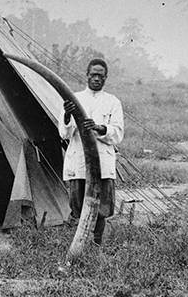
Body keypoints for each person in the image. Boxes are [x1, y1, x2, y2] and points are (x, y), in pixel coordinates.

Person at [58, 58, 124, 245]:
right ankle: (78, 245)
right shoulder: (73, 99)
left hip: (102, 163)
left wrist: (99, 128)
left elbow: (117, 133)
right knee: (78, 207)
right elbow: (64, 132)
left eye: (100, 76)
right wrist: (68, 114)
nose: (96, 78)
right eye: (93, 74)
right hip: (79, 163)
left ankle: (96, 245)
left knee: (101, 208)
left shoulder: (113, 102)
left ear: (106, 78)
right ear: (86, 75)